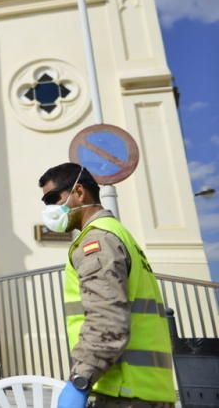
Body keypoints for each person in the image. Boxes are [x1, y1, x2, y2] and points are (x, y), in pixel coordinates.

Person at [38, 163, 175, 408]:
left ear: (79, 192)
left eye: (52, 198)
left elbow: (106, 320)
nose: (48, 208)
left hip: (123, 393)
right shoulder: (117, 233)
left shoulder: (97, 240)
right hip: (146, 390)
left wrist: (80, 380)